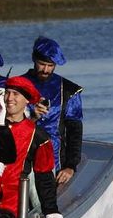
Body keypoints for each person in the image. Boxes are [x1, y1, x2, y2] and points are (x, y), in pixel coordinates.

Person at [0, 75, 62, 218]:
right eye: (8, 93)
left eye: (15, 94)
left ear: (27, 100)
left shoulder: (38, 136)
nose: (9, 98)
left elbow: (44, 175)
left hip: (12, 204)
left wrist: (51, 210)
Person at [22, 36, 85, 188]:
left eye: (50, 65)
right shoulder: (17, 86)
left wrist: (70, 166)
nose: (45, 70)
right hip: (23, 158)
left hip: (56, 162)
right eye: (42, 64)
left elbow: (74, 131)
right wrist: (31, 115)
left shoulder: (69, 90)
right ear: (33, 59)